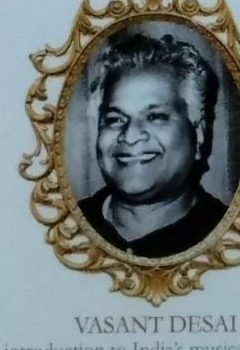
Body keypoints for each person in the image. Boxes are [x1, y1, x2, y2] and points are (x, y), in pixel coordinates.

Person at [77, 32, 227, 259]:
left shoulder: (229, 235)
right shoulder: (65, 226)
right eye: (115, 119)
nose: (130, 136)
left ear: (198, 135)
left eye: (155, 116)